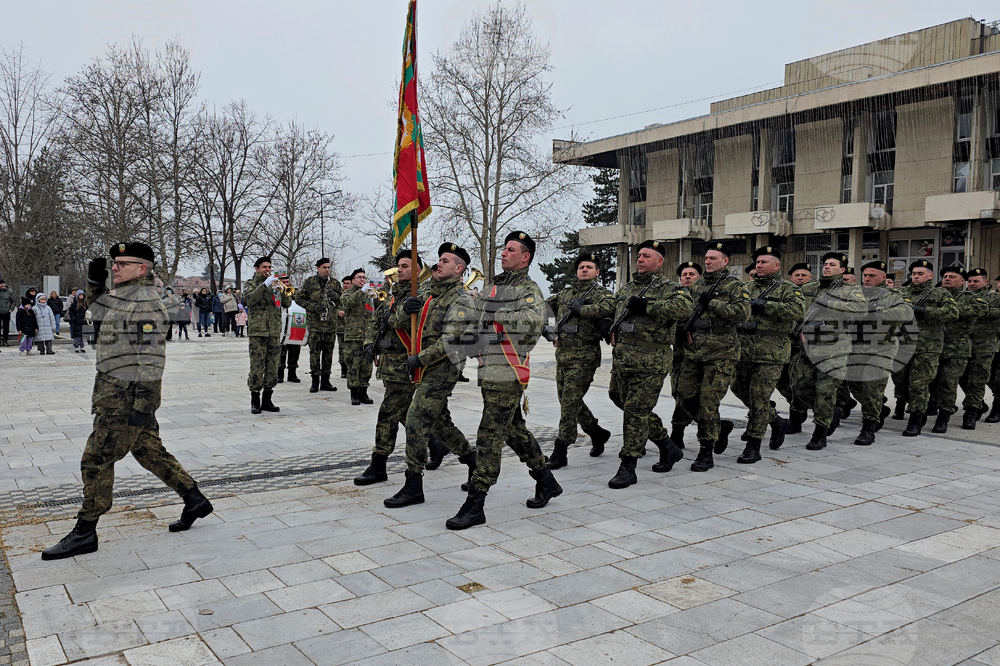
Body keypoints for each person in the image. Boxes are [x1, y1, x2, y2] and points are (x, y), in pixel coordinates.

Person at [41, 242, 213, 561]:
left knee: (96, 459)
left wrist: (143, 408)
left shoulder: (147, 303)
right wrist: (95, 283)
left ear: (142, 268)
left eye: (122, 263)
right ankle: (193, 498)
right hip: (117, 394)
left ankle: (85, 530)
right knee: (149, 451)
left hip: (124, 401)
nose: (115, 267)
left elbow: (151, 360)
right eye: (114, 263)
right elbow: (99, 312)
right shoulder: (124, 296)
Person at [447, 231, 562, 530]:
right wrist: (472, 344)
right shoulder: (494, 285)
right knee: (513, 431)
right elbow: (475, 319)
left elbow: (534, 323)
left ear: (525, 257)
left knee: (489, 437)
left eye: (511, 250)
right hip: (489, 369)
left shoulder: (528, 289)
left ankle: (476, 503)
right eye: (504, 249)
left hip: (509, 372)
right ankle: (546, 480)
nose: (504, 253)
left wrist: (500, 313)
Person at [377, 245, 478, 505]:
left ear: (459, 269)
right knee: (439, 423)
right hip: (422, 367)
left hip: (442, 368)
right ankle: (473, 461)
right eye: (438, 260)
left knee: (415, 419)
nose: (438, 264)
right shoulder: (425, 293)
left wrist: (418, 359)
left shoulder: (461, 300)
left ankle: (413, 484)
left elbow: (450, 342)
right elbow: (394, 321)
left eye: (445, 261)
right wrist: (404, 309)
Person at [605, 241, 692, 487]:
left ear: (659, 261)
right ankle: (667, 445)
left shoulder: (670, 288)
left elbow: (684, 308)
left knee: (634, 411)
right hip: (623, 359)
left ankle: (628, 466)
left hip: (651, 361)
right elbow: (613, 309)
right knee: (619, 399)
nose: (640, 259)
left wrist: (648, 306)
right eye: (639, 255)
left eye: (646, 256)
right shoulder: (627, 288)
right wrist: (604, 321)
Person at [673, 242, 750, 471]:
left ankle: (706, 451)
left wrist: (713, 302)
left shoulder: (736, 286)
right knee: (684, 395)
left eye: (713, 258)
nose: (707, 261)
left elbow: (742, 315)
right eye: (706, 258)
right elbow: (684, 310)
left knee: (708, 401)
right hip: (695, 350)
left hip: (722, 352)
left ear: (725, 261)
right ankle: (720, 426)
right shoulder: (696, 286)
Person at [542, 252, 616, 469]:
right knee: (567, 400)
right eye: (582, 267)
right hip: (563, 355)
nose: (585, 270)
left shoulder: (602, 293)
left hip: (585, 356)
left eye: (589, 267)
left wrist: (582, 309)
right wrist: (544, 328)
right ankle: (596, 432)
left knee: (569, 402)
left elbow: (609, 308)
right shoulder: (565, 294)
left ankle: (561, 449)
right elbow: (543, 308)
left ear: (597, 272)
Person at [731, 246, 805, 463]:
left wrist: (765, 306)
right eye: (757, 262)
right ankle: (775, 421)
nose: (759, 266)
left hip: (771, 353)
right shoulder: (746, 287)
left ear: (777, 266)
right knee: (738, 389)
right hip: (744, 350)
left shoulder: (788, 289)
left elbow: (797, 311)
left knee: (758, 397)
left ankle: (753, 446)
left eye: (764, 262)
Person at [791, 252, 867, 450]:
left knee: (824, 391)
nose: (826, 267)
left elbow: (861, 309)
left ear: (842, 270)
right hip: (808, 346)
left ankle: (820, 433)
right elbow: (798, 310)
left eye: (832, 264)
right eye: (825, 263)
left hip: (834, 348)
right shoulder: (809, 287)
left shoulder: (850, 289)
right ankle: (830, 412)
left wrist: (830, 303)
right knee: (800, 387)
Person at [841, 261, 912, 446]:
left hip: (881, 348)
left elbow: (906, 313)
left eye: (872, 275)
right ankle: (878, 409)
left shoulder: (894, 295)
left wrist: (874, 311)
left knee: (872, 388)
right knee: (855, 386)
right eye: (865, 275)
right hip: (854, 348)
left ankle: (868, 428)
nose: (867, 279)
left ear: (883, 277)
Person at [891, 260, 959, 436]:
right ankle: (916, 407)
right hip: (902, 345)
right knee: (900, 382)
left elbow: (953, 313)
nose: (915, 276)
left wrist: (924, 311)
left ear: (930, 275)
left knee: (919, 384)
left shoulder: (940, 293)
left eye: (920, 273)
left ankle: (916, 420)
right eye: (913, 273)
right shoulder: (901, 292)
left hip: (928, 347)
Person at [925, 266, 989, 433]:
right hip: (934, 345)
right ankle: (935, 408)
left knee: (949, 382)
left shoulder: (969, 297)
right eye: (945, 276)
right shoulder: (934, 295)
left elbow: (983, 310)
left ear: (962, 282)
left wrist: (948, 311)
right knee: (934, 382)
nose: (947, 278)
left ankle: (948, 416)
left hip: (957, 348)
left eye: (952, 276)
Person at [243, 257, 291, 414]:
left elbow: (287, 303)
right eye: (264, 267)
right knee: (257, 365)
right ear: (257, 269)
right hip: (258, 331)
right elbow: (249, 300)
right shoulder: (251, 284)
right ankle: (255, 399)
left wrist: (282, 288)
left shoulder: (275, 284)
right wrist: (265, 284)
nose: (268, 269)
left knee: (273, 366)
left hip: (274, 331)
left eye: (269, 266)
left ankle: (267, 399)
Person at [959, 268, 1000, 428]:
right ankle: (979, 404)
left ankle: (971, 412)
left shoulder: (994, 298)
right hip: (962, 345)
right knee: (961, 378)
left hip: (984, 346)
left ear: (985, 282)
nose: (972, 284)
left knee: (977, 380)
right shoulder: (963, 297)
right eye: (970, 281)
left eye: (976, 281)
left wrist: (983, 311)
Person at [776, 262, 813, 432]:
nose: (800, 278)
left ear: (810, 277)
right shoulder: (784, 293)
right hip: (786, 346)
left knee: (799, 382)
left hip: (807, 347)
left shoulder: (816, 295)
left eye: (804, 275)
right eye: (797, 275)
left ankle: (796, 420)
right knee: (784, 383)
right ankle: (802, 407)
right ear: (791, 278)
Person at [669, 261, 702, 448]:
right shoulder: (675, 297)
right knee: (677, 392)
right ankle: (716, 426)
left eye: (692, 274)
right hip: (679, 354)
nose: (687, 277)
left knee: (688, 394)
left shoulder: (703, 298)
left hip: (698, 354)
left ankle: (678, 433)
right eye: (684, 275)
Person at [297, 258, 342, 392]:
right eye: (324, 267)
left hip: (330, 323)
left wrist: (335, 296)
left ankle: (326, 381)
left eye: (328, 267)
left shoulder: (334, 283)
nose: (327, 270)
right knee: (315, 354)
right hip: (315, 324)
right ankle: (315, 381)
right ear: (317, 268)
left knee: (328, 354)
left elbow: (343, 301)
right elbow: (299, 299)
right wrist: (313, 307)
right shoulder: (309, 282)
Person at [341, 268, 375, 405]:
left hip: (368, 335)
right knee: (354, 365)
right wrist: (361, 292)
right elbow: (347, 304)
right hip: (353, 336)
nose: (362, 280)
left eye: (364, 277)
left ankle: (364, 392)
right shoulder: (347, 293)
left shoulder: (369, 294)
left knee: (367, 365)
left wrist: (376, 297)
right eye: (359, 277)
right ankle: (354, 393)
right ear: (353, 280)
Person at [275, 273, 302, 384]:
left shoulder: (294, 292)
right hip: (282, 324)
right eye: (284, 282)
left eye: (287, 282)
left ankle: (292, 373)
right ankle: (279, 374)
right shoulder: (276, 292)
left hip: (294, 324)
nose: (286, 284)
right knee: (281, 350)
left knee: (295, 350)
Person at [338, 276, 351, 378]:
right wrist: (339, 312)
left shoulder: (355, 295)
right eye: (344, 283)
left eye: (347, 283)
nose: (345, 285)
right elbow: (334, 307)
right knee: (342, 349)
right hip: (341, 328)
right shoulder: (339, 295)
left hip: (352, 328)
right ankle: (343, 369)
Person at [0, 278, 15, 346]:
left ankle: (5, 339)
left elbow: (13, 301)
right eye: (1, 284)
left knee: (6, 327)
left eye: (3, 283)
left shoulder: (9, 291)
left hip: (6, 311)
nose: (2, 285)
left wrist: (11, 309)